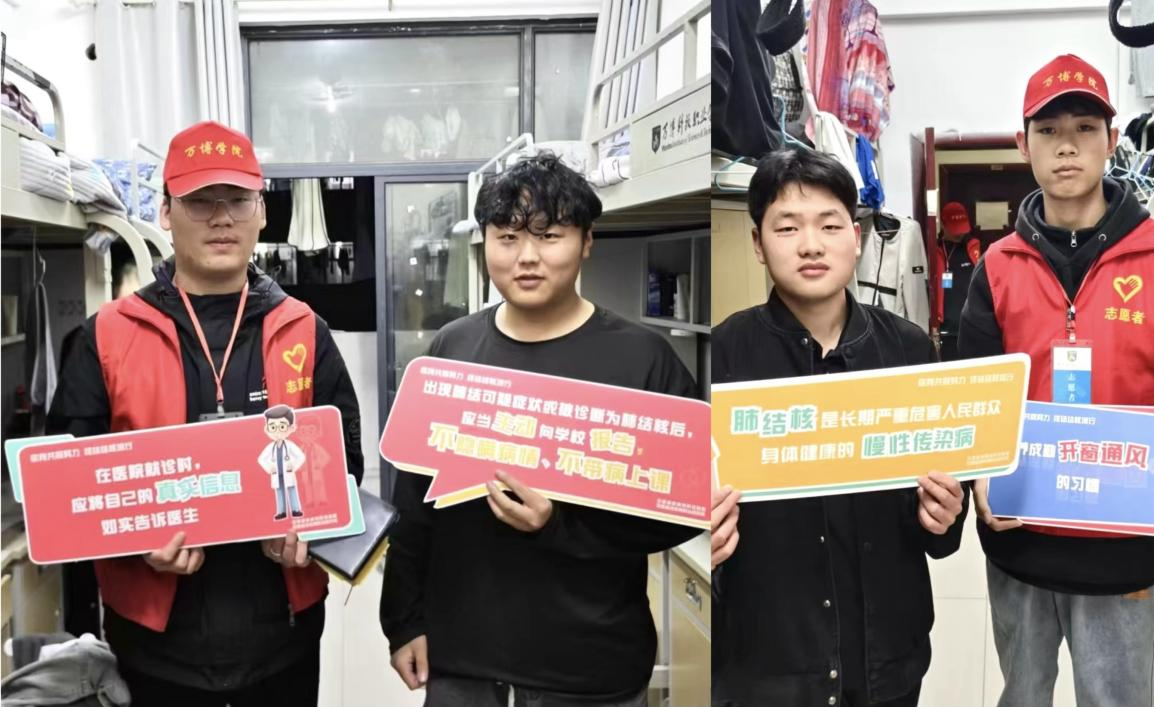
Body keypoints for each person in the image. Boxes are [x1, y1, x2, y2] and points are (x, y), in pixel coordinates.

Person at [958, 54, 1154, 707]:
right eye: (1048, 130)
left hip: (1124, 552)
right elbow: (973, 399)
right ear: (1022, 144)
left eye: (1085, 128)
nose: (1067, 146)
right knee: (1022, 695)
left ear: (1112, 140)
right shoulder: (996, 267)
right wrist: (978, 475)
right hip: (1020, 545)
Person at [48, 120, 364, 707]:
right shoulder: (107, 337)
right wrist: (136, 541)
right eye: (200, 201)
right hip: (155, 645)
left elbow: (345, 465)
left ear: (261, 211)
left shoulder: (303, 329)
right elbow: (66, 488)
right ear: (166, 212)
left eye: (237, 200)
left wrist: (312, 525)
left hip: (282, 639)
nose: (222, 218)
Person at [379, 153, 702, 707]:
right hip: (464, 665)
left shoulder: (643, 360)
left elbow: (682, 508)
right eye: (507, 237)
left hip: (589, 669)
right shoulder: (452, 349)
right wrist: (403, 619)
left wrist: (560, 524)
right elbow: (414, 503)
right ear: (484, 243)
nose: (526, 257)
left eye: (549, 236)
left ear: (587, 241)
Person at [709, 146, 969, 707]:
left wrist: (946, 515)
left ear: (856, 236)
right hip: (767, 667)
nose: (811, 244)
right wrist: (698, 533)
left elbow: (942, 522)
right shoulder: (722, 356)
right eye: (787, 227)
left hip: (887, 662)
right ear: (757, 243)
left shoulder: (909, 351)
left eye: (829, 225)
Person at [258, 405, 307, 520]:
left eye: (282, 427)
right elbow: (261, 459)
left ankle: (295, 510)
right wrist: (269, 467)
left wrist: (293, 465)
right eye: (273, 427)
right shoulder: (271, 447)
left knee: (292, 490)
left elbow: (301, 456)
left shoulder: (290, 445)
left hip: (288, 472)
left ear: (291, 428)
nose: (277, 431)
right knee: (279, 492)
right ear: (267, 429)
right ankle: (281, 511)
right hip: (277, 474)